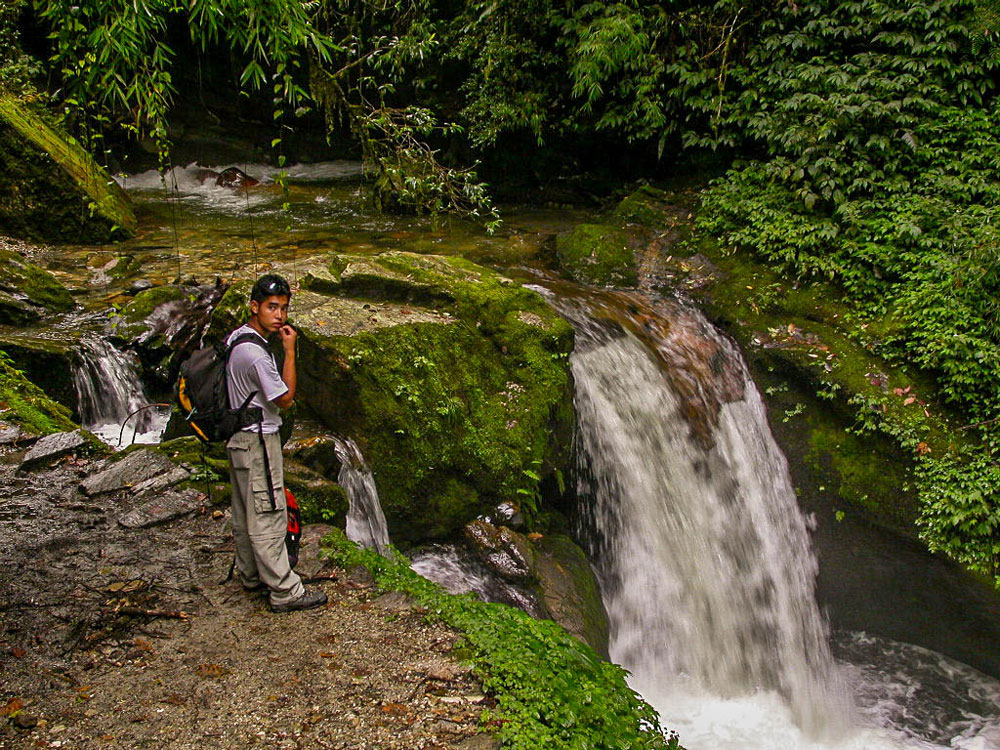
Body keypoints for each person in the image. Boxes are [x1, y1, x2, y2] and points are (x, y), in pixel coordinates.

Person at [225, 273, 327, 613]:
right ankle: (285, 591)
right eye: (272, 307)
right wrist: (289, 351)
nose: (279, 315)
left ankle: (252, 575)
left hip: (238, 438)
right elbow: (284, 399)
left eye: (283, 308)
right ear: (254, 307)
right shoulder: (255, 354)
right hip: (258, 440)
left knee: (244, 510)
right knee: (268, 511)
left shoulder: (236, 339)